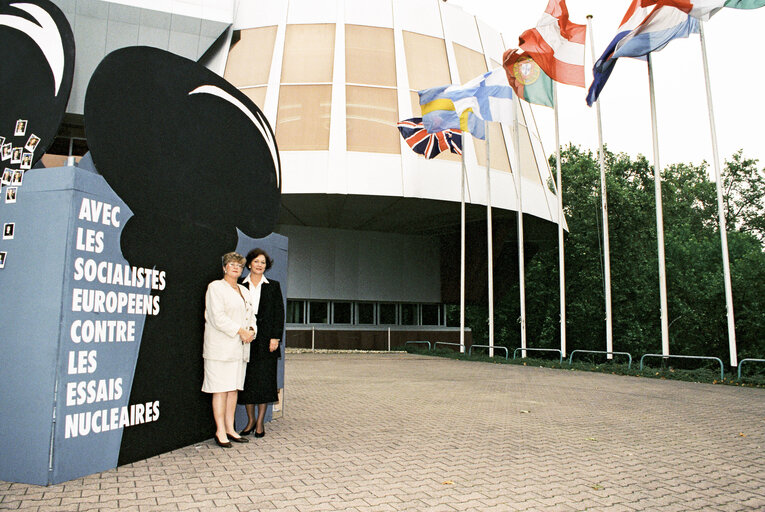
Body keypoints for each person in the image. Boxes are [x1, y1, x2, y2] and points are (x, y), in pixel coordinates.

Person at [202, 252, 255, 447]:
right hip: (220, 349)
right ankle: (220, 431)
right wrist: (240, 331)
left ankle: (231, 428)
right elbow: (217, 317)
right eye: (232, 264)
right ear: (224, 267)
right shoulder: (215, 287)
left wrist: (251, 330)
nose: (236, 268)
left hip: (239, 350)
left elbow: (251, 317)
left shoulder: (244, 290)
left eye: (239, 266)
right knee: (220, 390)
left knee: (233, 390)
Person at [238, 248, 284, 437]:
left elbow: (278, 314)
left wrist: (275, 338)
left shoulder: (273, 286)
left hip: (267, 341)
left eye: (263, 262)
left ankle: (260, 423)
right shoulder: (240, 284)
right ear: (249, 264)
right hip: (245, 339)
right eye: (256, 261)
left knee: (264, 381)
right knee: (248, 381)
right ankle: (249, 421)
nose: (259, 265)